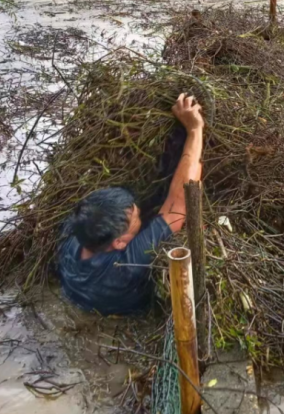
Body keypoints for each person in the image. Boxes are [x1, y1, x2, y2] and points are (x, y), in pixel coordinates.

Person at [57, 93, 205, 316]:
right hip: (122, 308)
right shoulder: (125, 265)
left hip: (80, 294)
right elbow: (179, 205)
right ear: (119, 242)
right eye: (136, 219)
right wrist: (195, 130)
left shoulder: (74, 235)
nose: (142, 215)